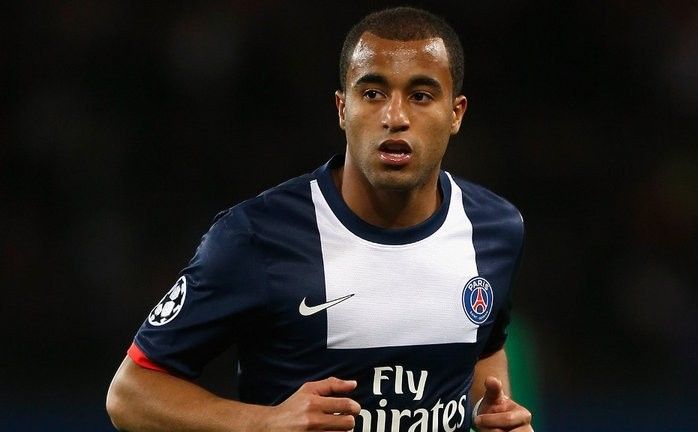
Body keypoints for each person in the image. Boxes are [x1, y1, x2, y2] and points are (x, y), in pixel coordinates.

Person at [106, 6, 532, 432]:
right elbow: (131, 393)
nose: (395, 117)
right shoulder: (257, 236)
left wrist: (489, 411)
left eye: (420, 96)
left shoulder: (495, 230)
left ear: (456, 113)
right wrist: (264, 423)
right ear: (342, 108)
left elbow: (483, 347)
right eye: (373, 93)